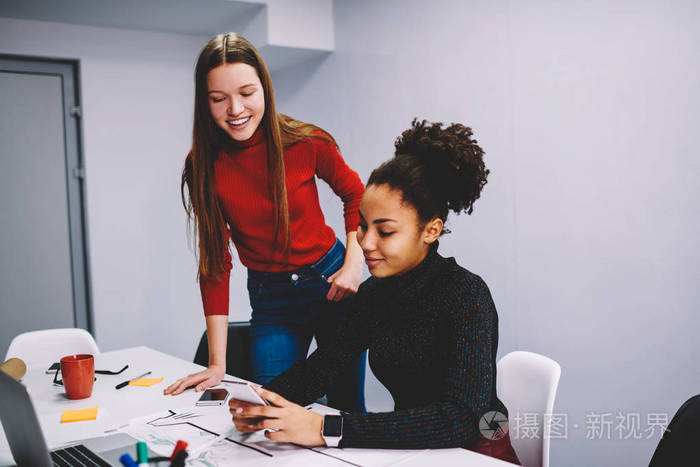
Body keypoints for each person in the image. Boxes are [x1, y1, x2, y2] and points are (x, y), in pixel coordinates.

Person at [227, 120, 521, 464]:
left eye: (385, 231)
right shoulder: (374, 294)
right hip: (415, 449)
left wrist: (327, 427)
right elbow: (324, 366)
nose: (365, 242)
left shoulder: (467, 295)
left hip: (476, 453)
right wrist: (263, 400)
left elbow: (461, 419)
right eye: (363, 226)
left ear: (431, 230)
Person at [164, 33, 366, 414]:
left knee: (345, 411)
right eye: (218, 98)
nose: (235, 108)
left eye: (246, 92)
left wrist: (354, 265)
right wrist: (217, 364)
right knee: (271, 413)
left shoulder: (307, 142)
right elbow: (215, 264)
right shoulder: (203, 166)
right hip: (272, 301)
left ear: (265, 89)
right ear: (204, 102)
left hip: (333, 284)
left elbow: (357, 196)